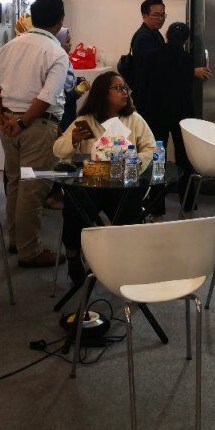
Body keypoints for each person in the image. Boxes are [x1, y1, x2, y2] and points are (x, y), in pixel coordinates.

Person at [0, 0, 69, 268]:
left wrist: (0, 117)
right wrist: (21, 123)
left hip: (8, 124)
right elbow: (47, 96)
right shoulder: (56, 52)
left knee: (15, 183)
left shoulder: (9, 46)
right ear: (60, 21)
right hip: (37, 126)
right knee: (33, 187)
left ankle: (16, 240)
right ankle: (29, 250)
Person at [53, 70, 157, 282]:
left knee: (131, 208)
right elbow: (58, 151)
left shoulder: (134, 119)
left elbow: (150, 148)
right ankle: (73, 255)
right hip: (92, 185)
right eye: (118, 88)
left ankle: (122, 259)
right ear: (102, 93)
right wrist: (73, 140)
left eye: (125, 88)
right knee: (73, 206)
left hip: (122, 185)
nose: (124, 92)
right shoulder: (86, 120)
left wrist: (133, 162)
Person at [143, 22, 212, 214]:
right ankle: (188, 204)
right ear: (185, 40)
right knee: (184, 159)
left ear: (167, 35)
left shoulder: (153, 56)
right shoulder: (187, 60)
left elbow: (147, 82)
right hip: (182, 116)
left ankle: (156, 207)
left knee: (158, 159)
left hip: (157, 114)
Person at [128, 0, 166, 114]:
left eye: (163, 15)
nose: (160, 19)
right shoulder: (143, 38)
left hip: (153, 93)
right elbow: (157, 66)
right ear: (144, 16)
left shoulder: (154, 32)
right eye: (156, 15)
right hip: (147, 96)